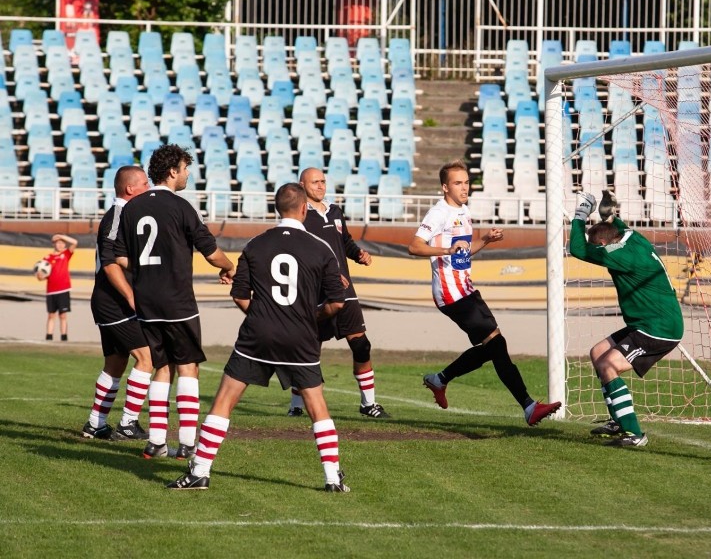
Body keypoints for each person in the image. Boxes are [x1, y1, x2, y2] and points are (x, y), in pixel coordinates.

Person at [168, 183, 350, 492]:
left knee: (224, 399)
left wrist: (262, 315)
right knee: (316, 404)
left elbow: (239, 295)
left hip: (258, 334)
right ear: (305, 208)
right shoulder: (321, 248)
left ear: (277, 209)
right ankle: (332, 477)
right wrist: (308, 318)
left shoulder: (255, 244)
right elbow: (336, 303)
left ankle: (199, 471)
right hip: (301, 336)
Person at [408, 159, 561, 426]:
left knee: (492, 347)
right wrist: (446, 251)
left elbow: (463, 251)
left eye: (467, 182)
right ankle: (528, 406)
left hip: (466, 288)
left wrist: (485, 240)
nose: (464, 187)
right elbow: (415, 247)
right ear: (445, 187)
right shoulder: (438, 213)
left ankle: (440, 379)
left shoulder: (464, 212)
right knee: (496, 344)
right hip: (450, 292)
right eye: (458, 183)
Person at [114, 144, 235, 460]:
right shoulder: (183, 207)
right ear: (172, 171)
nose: (188, 174)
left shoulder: (131, 208)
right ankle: (186, 442)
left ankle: (156, 441)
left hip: (146, 302)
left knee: (160, 366)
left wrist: (145, 271)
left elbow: (120, 255)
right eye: (185, 168)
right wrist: (229, 266)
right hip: (177, 301)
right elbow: (211, 253)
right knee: (188, 366)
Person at [568, 191, 684, 447]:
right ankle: (618, 419)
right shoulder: (633, 238)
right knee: (598, 352)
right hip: (647, 323)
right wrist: (608, 216)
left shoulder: (616, 255)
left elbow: (575, 248)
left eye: (596, 246)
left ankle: (634, 434)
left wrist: (580, 215)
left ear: (603, 245)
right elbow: (616, 226)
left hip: (659, 329)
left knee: (609, 364)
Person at [285, 167, 390, 419]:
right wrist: (326, 274)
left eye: (323, 181)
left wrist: (358, 254)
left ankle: (368, 404)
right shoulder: (298, 216)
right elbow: (297, 254)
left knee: (361, 345)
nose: (321, 186)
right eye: (315, 182)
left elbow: (345, 242)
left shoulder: (334, 210)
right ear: (302, 185)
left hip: (345, 291)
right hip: (314, 293)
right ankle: (296, 404)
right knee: (309, 349)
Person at [82, 166, 155, 441]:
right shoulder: (118, 214)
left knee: (116, 361)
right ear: (130, 189)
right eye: (145, 184)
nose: (148, 189)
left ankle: (95, 424)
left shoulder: (127, 215)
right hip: (112, 301)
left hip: (108, 301)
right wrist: (130, 295)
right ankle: (128, 423)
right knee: (146, 358)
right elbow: (109, 261)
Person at [37, 233, 78, 341]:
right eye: (58, 242)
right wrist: (39, 276)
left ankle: (64, 337)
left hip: (63, 290)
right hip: (51, 291)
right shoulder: (47, 258)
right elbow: (42, 276)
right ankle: (49, 337)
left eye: (62, 243)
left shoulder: (66, 254)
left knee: (63, 315)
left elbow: (74, 242)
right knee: (51, 315)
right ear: (54, 244)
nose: (60, 245)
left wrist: (60, 236)